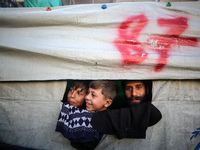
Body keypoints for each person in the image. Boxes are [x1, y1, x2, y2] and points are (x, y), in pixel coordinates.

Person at [56, 80, 118, 150]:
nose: (87, 97)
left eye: (93, 95)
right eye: (88, 93)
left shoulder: (111, 120)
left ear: (107, 103)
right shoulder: (81, 113)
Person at [91, 80, 162, 139]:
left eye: (138, 87)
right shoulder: (116, 110)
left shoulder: (153, 112)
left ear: (147, 90)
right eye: (128, 88)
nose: (133, 93)